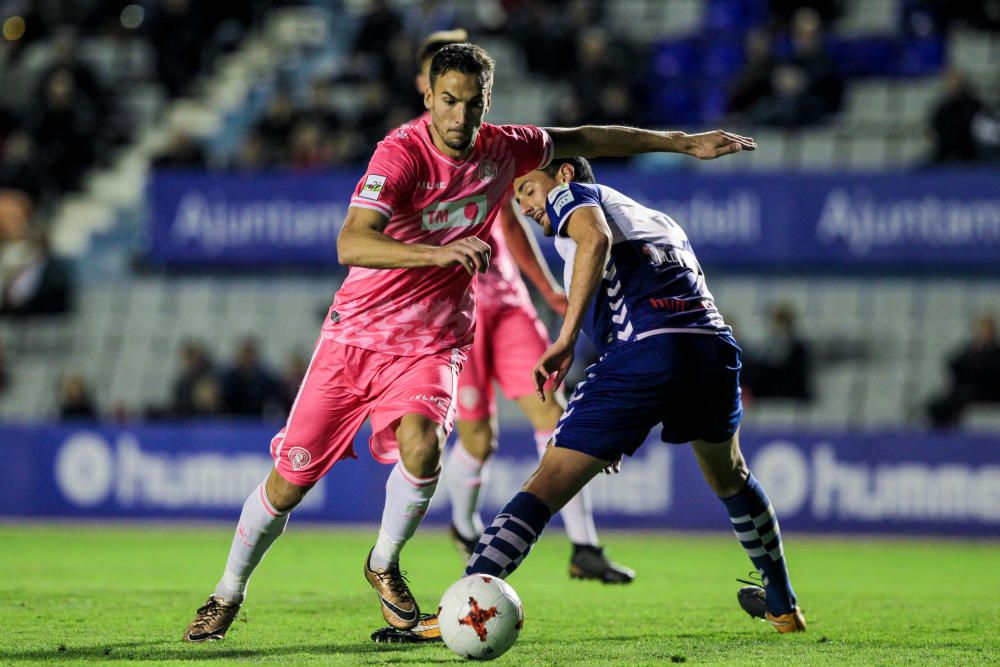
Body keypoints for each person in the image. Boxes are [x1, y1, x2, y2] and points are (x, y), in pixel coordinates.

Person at [182, 42, 756, 643]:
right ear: (427, 96)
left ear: (488, 103)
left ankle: (382, 563)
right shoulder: (399, 153)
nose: (459, 117)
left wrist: (683, 143)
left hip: (433, 341)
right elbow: (350, 243)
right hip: (354, 338)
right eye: (447, 101)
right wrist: (439, 253)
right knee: (287, 485)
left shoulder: (507, 147)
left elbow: (588, 136)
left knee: (425, 446)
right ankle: (228, 591)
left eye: (472, 104)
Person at [461, 156, 806, 634]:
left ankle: (463, 605)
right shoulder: (660, 221)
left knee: (547, 481)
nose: (523, 204)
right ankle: (782, 602)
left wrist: (566, 338)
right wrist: (619, 418)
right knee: (731, 475)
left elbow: (594, 239)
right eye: (516, 197)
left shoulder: (576, 196)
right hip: (712, 350)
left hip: (647, 351)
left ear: (562, 175)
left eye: (529, 189)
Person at [410, 30, 635, 586]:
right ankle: (464, 523)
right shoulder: (408, 154)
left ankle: (584, 545)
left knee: (551, 413)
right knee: (478, 441)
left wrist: (544, 288)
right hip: (453, 313)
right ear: (426, 88)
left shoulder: (493, 149)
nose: (460, 104)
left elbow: (510, 223)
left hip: (506, 303)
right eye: (444, 88)